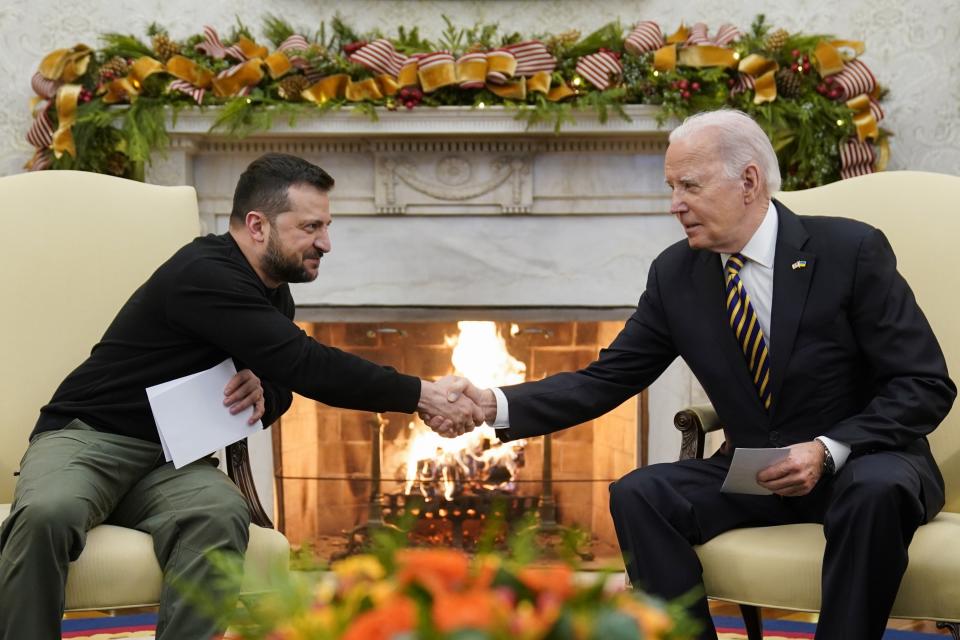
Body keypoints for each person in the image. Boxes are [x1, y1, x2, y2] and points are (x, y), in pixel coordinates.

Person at [435, 110, 956, 639]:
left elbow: (924, 385)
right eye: (671, 186)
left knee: (875, 489)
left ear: (748, 181)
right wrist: (490, 404)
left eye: (690, 185)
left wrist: (825, 449)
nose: (675, 204)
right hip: (762, 473)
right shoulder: (676, 273)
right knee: (640, 493)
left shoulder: (849, 251)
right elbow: (606, 378)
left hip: (863, 463)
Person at [0, 153, 482, 640]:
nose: (326, 243)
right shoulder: (204, 273)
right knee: (48, 513)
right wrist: (422, 394)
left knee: (219, 513)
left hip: (168, 460)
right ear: (257, 225)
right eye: (311, 226)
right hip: (87, 440)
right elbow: (306, 364)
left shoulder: (272, 290)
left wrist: (265, 391)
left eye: (327, 225)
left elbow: (281, 380)